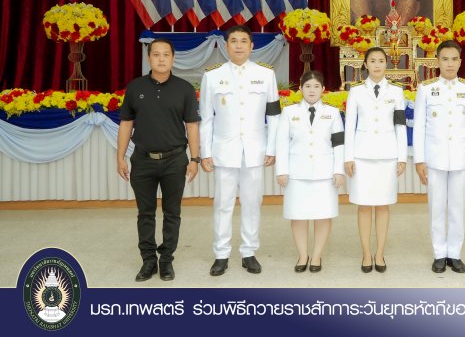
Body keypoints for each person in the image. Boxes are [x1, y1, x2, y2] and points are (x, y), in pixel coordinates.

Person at [116, 38, 201, 282]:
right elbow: (126, 123)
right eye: (156, 54)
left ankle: (166, 261)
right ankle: (148, 261)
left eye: (166, 54)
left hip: (175, 160)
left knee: (172, 212)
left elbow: (192, 126)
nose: (161, 59)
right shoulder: (135, 87)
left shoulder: (184, 89)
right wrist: (120, 157)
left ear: (173, 58)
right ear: (149, 58)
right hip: (142, 160)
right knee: (145, 213)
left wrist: (194, 159)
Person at [199, 25, 281, 276]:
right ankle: (221, 254)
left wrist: (272, 147)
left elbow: (274, 116)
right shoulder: (212, 76)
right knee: (222, 204)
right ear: (226, 45)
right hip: (224, 151)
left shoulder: (266, 75)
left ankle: (249, 252)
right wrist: (205, 152)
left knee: (252, 203)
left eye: (243, 41)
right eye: (233, 41)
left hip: (255, 150)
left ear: (251, 45)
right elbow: (206, 118)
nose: (238, 45)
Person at [413, 40, 465, 273]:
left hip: (462, 158)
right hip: (435, 158)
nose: (450, 64)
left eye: (454, 59)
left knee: (457, 207)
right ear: (438, 61)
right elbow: (420, 126)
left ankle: (455, 253)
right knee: (436, 207)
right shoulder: (425, 88)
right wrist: (419, 160)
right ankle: (439, 253)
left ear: (461, 61)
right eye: (445, 59)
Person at [344, 46, 407, 273]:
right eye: (373, 60)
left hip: (388, 156)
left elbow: (399, 125)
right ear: (366, 64)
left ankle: (379, 253)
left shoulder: (397, 92)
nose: (377, 64)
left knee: (383, 206)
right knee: (363, 206)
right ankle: (366, 253)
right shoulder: (356, 91)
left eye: (381, 60)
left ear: (386, 64)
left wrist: (402, 157)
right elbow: (349, 126)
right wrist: (348, 157)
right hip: (362, 156)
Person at [275, 71, 345, 273]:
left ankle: (316, 256)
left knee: (323, 215)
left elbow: (339, 144)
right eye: (307, 86)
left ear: (323, 89)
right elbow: (282, 143)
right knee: (298, 215)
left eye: (316, 86)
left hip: (325, 173)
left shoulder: (332, 113)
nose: (312, 90)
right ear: (300, 88)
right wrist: (282, 170)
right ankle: (303, 255)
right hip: (297, 173)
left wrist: (338, 170)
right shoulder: (289, 113)